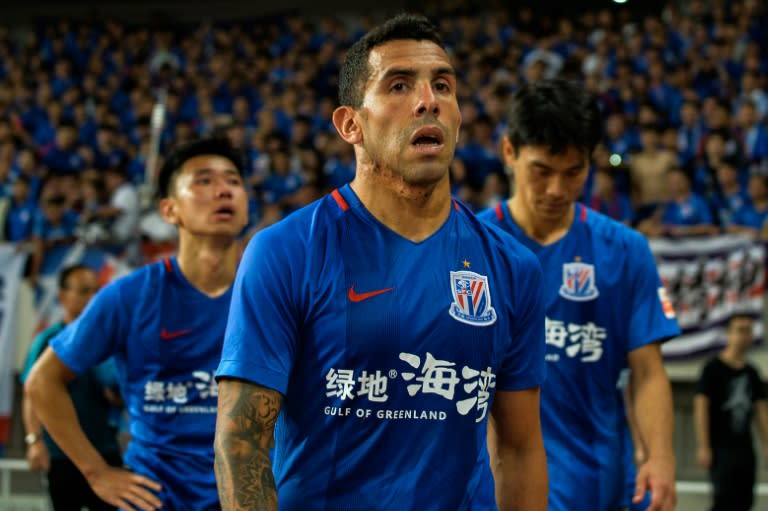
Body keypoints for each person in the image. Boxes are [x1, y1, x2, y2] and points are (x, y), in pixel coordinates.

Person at [214, 13, 547, 511]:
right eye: (399, 85)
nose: (428, 100)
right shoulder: (286, 251)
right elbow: (241, 446)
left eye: (443, 85)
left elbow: (519, 449)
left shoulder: (512, 267)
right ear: (352, 124)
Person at [479, 78, 680, 511]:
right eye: (542, 170)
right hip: (494, 485)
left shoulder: (625, 250)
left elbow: (647, 372)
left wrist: (661, 457)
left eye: (574, 172)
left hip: (597, 482)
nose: (557, 189)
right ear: (510, 152)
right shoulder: (468, 247)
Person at [24, 137, 249, 510]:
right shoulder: (130, 295)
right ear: (169, 210)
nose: (223, 189)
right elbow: (41, 381)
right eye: (204, 181)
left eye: (233, 181)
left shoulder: (274, 295)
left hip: (244, 500)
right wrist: (96, 472)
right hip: (152, 499)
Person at [21, 264, 121, 511]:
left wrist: (117, 394)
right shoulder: (49, 340)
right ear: (62, 296)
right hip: (63, 452)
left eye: (96, 291)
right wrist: (35, 441)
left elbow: (121, 396)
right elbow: (32, 392)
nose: (91, 298)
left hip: (104, 449)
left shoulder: (108, 340)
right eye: (83, 291)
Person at [694, 314, 768, 511]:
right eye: (740, 330)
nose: (744, 336)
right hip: (720, 446)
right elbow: (701, 408)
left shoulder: (752, 373)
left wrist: (766, 443)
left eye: (748, 331)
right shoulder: (713, 369)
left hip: (744, 446)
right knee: (724, 498)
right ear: (729, 334)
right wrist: (703, 445)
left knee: (745, 499)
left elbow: (761, 411)